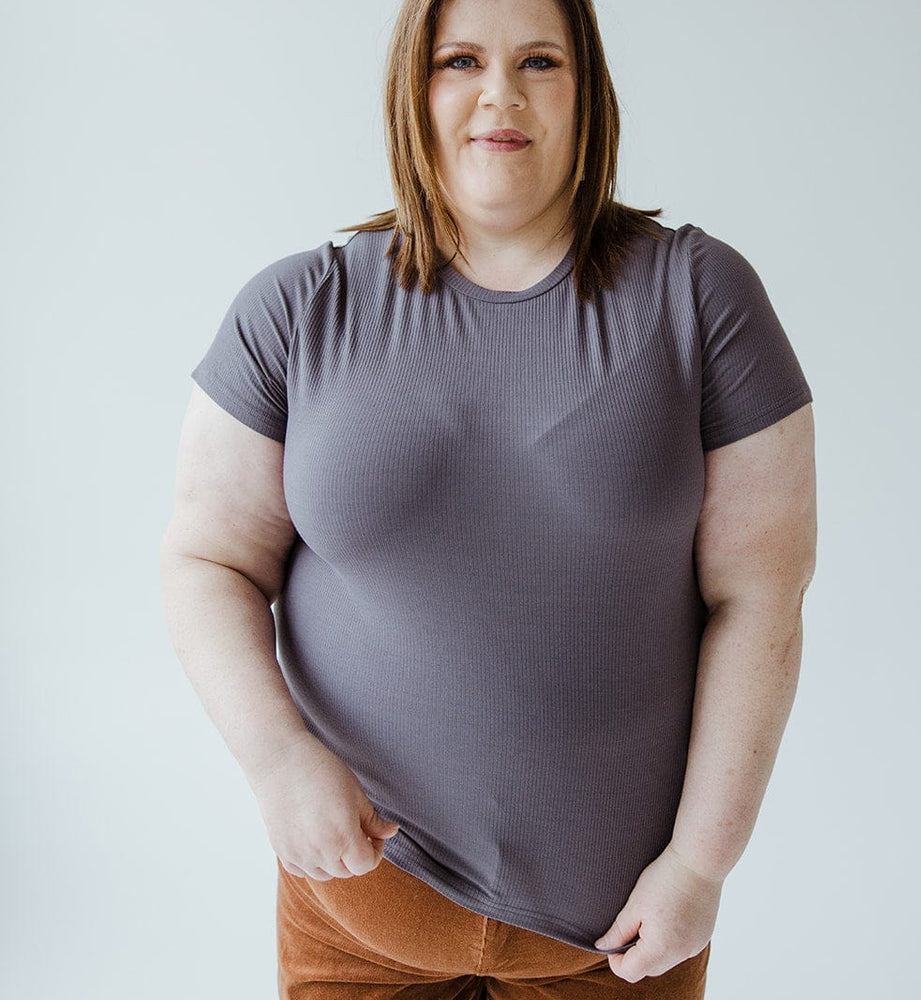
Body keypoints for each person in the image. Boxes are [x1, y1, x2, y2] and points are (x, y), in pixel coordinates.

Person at [160, 0, 816, 996]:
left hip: (621, 941)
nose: (498, 93)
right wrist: (277, 758)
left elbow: (759, 599)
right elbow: (205, 560)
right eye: (459, 59)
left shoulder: (702, 299)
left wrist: (700, 864)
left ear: (585, 89)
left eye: (539, 61)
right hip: (354, 923)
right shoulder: (296, 309)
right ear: (410, 89)